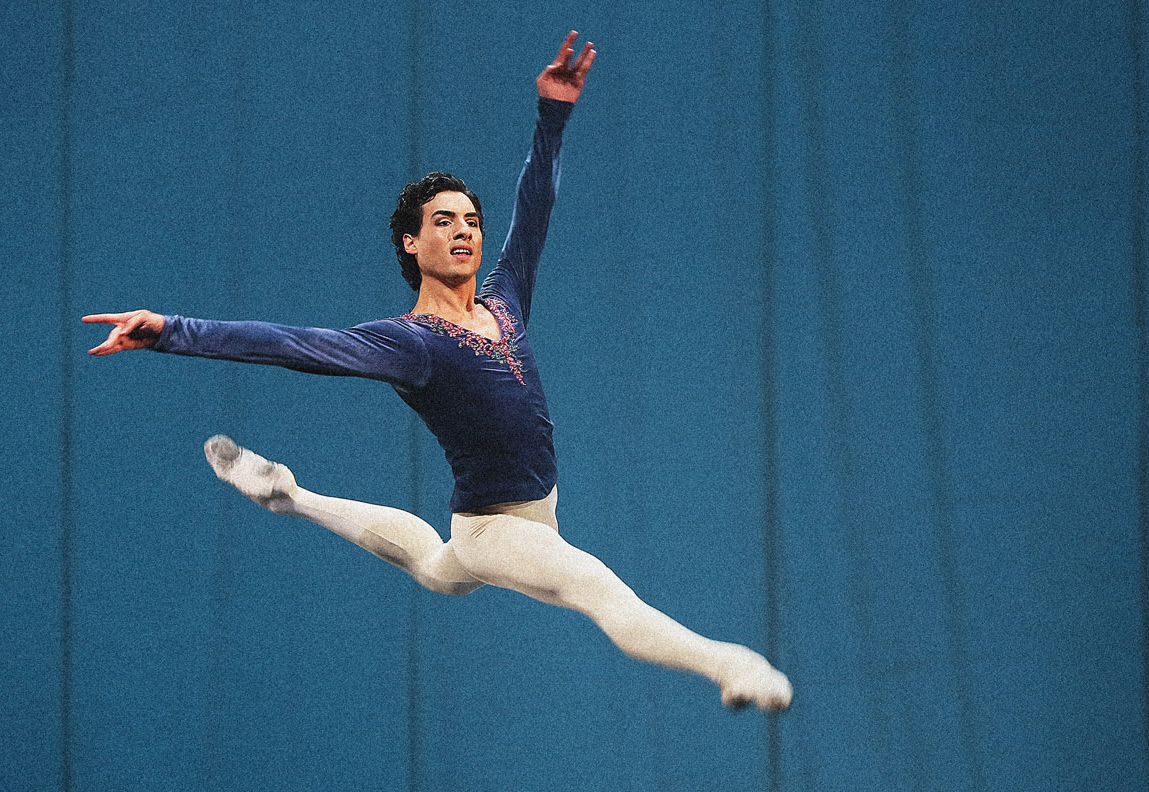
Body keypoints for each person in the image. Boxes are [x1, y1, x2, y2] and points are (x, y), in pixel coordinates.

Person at [84, 32, 792, 712]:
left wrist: (554, 113)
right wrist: (171, 331)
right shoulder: (410, 343)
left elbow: (537, 206)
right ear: (411, 241)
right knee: (601, 592)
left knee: (437, 572)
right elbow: (291, 343)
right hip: (498, 529)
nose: (464, 231)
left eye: (472, 221)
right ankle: (731, 665)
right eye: (445, 221)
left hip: (519, 516)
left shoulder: (504, 298)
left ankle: (289, 496)